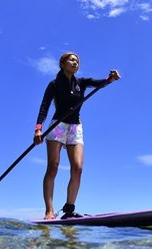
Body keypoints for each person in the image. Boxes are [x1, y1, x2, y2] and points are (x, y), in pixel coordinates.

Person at [34, 52, 120, 220]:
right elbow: (44, 106)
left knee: (78, 168)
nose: (75, 63)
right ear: (62, 63)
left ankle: (69, 209)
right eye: (71, 60)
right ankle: (49, 211)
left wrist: (110, 79)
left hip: (75, 128)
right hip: (58, 126)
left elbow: (99, 83)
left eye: (77, 61)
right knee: (53, 167)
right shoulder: (54, 84)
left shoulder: (82, 82)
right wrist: (38, 129)